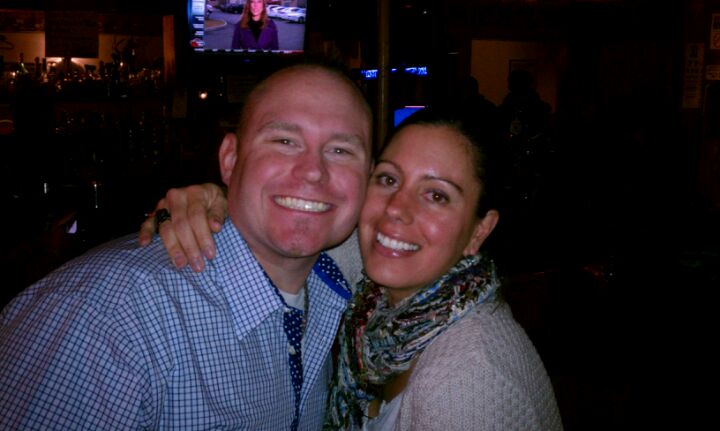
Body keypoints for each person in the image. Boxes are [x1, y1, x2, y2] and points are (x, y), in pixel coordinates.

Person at [0, 62, 373, 430]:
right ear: (230, 160)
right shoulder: (106, 317)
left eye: (341, 150)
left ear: (368, 178)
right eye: (285, 142)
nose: (313, 171)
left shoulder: (336, 290)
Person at [143, 106, 563, 430]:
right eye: (388, 179)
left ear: (479, 230)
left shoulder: (468, 385)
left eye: (436, 195)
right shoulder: (371, 278)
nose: (396, 209)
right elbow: (288, 236)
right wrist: (216, 201)